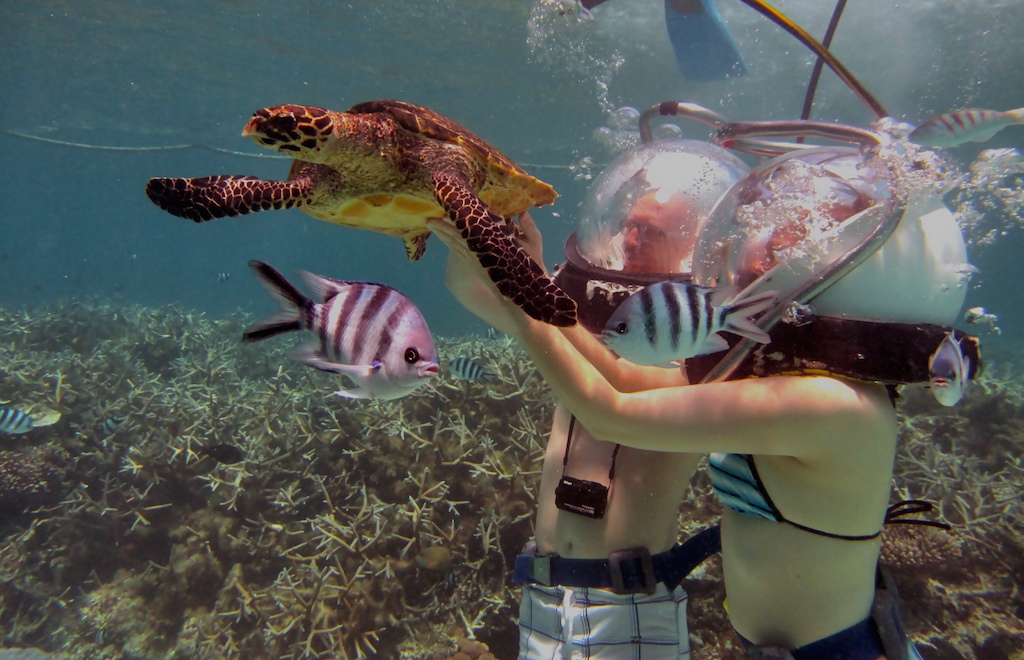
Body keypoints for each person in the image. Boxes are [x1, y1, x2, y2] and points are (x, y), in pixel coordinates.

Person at [430, 139, 980, 659]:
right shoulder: (793, 390)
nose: (757, 262)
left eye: (793, 256)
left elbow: (612, 411)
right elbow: (625, 381)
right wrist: (522, 281)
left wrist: (521, 293)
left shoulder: (830, 405)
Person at [485, 139, 751, 659]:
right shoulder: (580, 305)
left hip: (627, 607)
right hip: (541, 593)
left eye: (651, 231)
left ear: (697, 242)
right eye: (629, 224)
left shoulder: (713, 351)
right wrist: (465, 223)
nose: (631, 238)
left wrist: (533, 285)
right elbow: (469, 290)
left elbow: (618, 388)